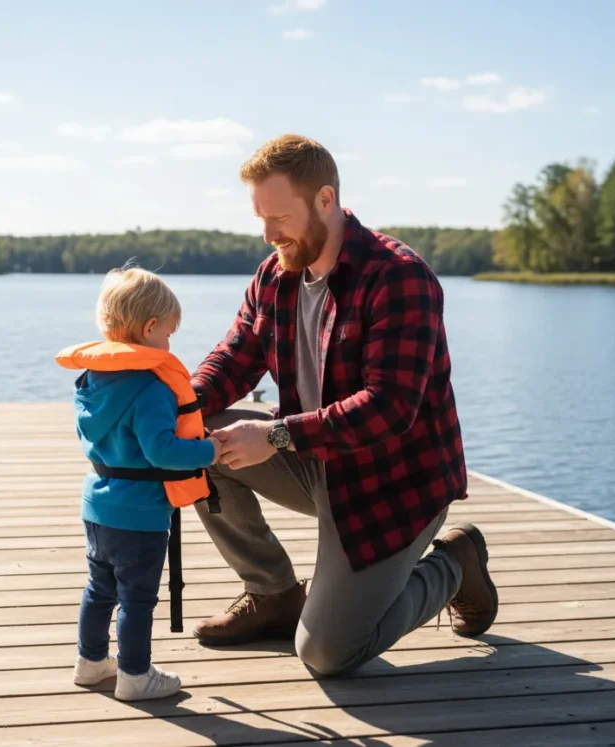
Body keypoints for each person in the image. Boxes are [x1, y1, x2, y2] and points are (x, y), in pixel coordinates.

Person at [188, 134, 499, 676]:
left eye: (280, 217)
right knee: (195, 436)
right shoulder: (275, 274)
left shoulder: (397, 276)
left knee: (328, 652)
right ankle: (274, 596)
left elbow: (389, 407)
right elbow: (235, 356)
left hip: (394, 485)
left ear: (326, 200)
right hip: (317, 458)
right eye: (261, 218)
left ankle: (455, 564)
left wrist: (277, 436)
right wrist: (169, 407)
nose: (268, 235)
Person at [56, 266, 223, 700]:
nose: (169, 344)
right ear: (150, 329)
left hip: (97, 505)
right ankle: (134, 675)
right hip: (142, 513)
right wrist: (210, 451)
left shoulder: (92, 380)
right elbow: (162, 452)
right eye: (168, 334)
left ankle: (90, 663)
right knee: (136, 598)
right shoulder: (151, 389)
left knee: (99, 590)